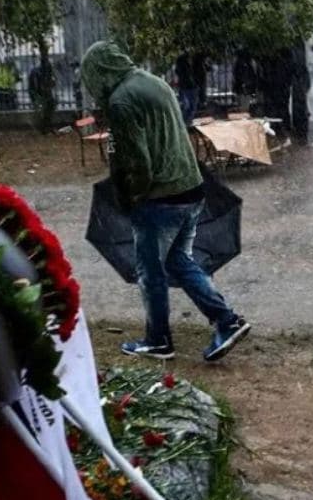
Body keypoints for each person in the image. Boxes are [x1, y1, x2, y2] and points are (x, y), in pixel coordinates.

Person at [81, 39, 251, 362]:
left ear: (100, 71)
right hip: (191, 188)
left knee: (150, 271)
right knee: (177, 261)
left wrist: (130, 198)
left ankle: (158, 340)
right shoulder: (153, 82)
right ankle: (227, 320)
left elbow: (137, 161)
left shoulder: (120, 101)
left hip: (159, 198)